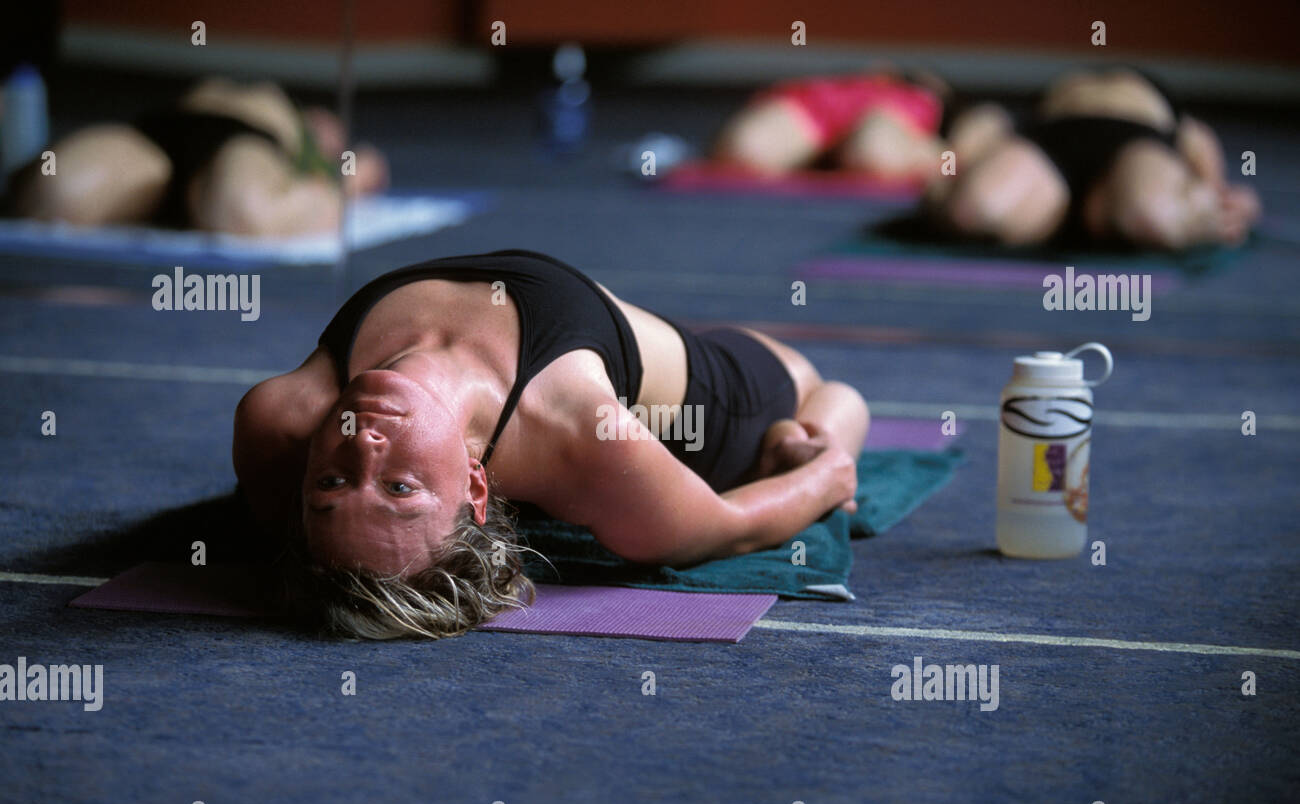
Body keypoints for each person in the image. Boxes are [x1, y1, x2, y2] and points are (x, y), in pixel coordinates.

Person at [232, 250, 869, 639]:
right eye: (399, 487)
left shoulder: (282, 420)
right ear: (476, 481)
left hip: (621, 338)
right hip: (703, 420)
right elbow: (723, 526)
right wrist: (826, 475)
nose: (363, 448)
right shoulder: (584, 435)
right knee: (820, 388)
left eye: (331, 484)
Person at [924, 67, 1260, 248]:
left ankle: (1130, 215)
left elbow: (1196, 136)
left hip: (1134, 139)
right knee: (969, 212)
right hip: (1051, 144)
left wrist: (1215, 191)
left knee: (1151, 219)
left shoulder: (1156, 100)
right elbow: (993, 127)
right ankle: (1067, 217)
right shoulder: (1054, 96)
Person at [3, 76, 388, 234]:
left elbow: (365, 168)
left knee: (241, 212)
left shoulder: (303, 144)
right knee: (50, 192)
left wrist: (351, 181)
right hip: (158, 137)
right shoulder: (259, 93)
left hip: (245, 140)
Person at [712, 67, 1009, 183]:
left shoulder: (931, 101)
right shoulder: (869, 79)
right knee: (744, 150)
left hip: (900, 113)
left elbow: (989, 122)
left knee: (874, 154)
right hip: (825, 103)